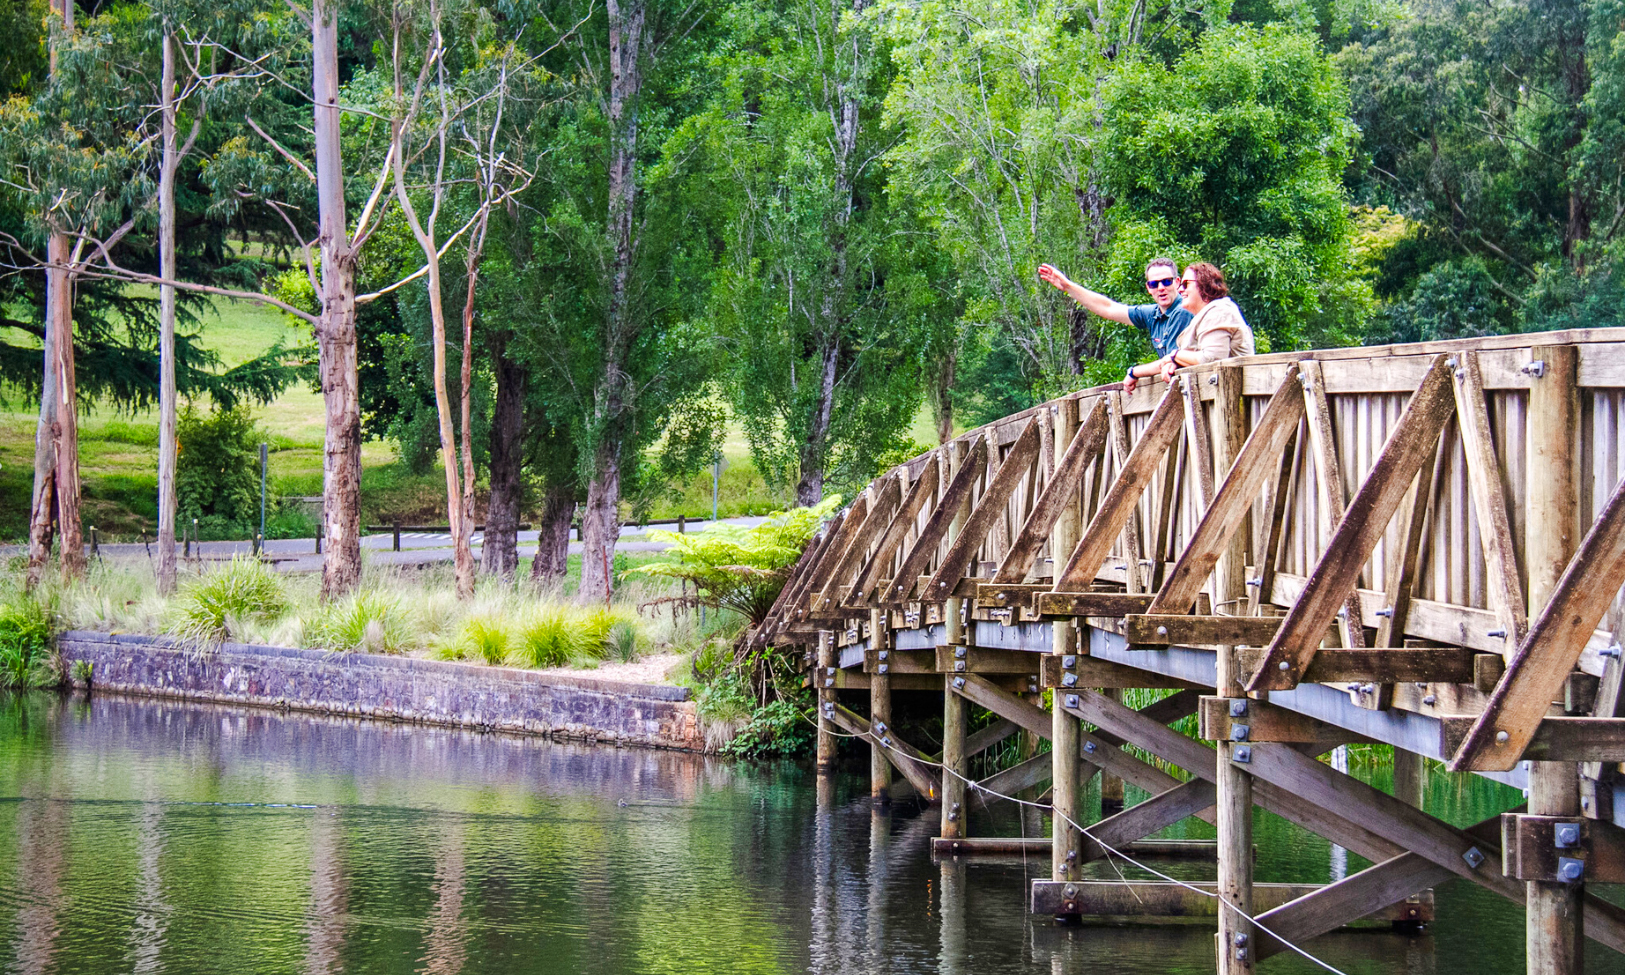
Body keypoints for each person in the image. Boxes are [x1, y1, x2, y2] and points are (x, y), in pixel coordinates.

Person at [1037, 258, 1190, 393]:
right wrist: (1067, 286)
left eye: (1167, 281)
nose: (1161, 287)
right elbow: (1109, 308)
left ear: (1177, 283)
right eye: (1154, 284)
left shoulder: (1183, 310)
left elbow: (1170, 360)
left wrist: (1133, 372)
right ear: (1148, 288)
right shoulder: (1154, 314)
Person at [1156, 262, 1254, 385]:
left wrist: (1174, 355)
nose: (1180, 289)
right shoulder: (1207, 315)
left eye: (1186, 284)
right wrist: (1174, 363)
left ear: (1204, 285)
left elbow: (1211, 358)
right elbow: (1197, 357)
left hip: (1236, 397)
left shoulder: (1219, 311)